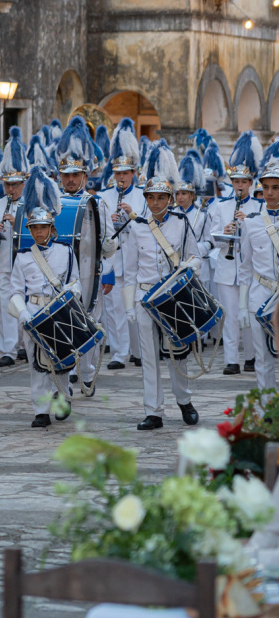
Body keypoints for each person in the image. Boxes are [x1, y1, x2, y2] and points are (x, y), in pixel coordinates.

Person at [123, 140, 201, 432]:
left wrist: (190, 266)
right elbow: (129, 269)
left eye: (161, 198)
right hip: (146, 297)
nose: (155, 202)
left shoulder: (181, 222)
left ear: (170, 199)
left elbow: (196, 256)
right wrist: (129, 304)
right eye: (151, 197)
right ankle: (153, 410)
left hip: (173, 298)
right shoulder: (137, 226)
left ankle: (184, 400)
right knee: (149, 356)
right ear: (145, 198)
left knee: (177, 352)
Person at [8, 166, 82, 429]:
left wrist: (69, 298)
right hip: (34, 312)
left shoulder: (66, 250)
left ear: (52, 229)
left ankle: (63, 396)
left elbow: (75, 282)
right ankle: (40, 409)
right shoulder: (24, 256)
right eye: (34, 228)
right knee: (36, 362)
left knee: (61, 360)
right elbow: (15, 290)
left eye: (43, 228)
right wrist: (23, 313)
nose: (39, 233)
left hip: (59, 312)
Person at [54, 115, 117, 392]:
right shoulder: (52, 203)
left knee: (90, 321)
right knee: (63, 323)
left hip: (89, 273)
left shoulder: (97, 204)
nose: (69, 180)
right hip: (59, 275)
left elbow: (109, 246)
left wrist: (107, 261)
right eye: (65, 175)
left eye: (74, 175)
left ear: (84, 176)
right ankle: (67, 372)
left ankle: (88, 371)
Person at [206, 131, 264, 376]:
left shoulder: (259, 207)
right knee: (229, 316)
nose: (239, 185)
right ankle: (231, 360)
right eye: (236, 181)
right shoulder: (220, 206)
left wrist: (248, 221)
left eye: (243, 181)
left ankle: (251, 357)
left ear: (250, 183)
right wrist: (225, 231)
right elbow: (211, 237)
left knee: (249, 315)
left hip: (251, 269)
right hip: (226, 268)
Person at [99, 117, 147, 370]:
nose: (121, 177)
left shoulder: (143, 197)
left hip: (137, 261)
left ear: (133, 174)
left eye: (126, 173)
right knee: (115, 308)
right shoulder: (104, 197)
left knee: (136, 309)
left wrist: (132, 215)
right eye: (117, 173)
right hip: (113, 259)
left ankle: (139, 352)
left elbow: (150, 227)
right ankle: (119, 354)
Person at [0, 126, 29, 368]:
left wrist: (19, 222)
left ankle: (25, 345)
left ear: (24, 182)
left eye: (15, 184)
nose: (10, 189)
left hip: (24, 262)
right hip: (2, 262)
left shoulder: (31, 204)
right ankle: (7, 350)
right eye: (7, 184)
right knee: (4, 307)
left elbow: (41, 231)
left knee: (26, 301)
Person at [238, 157, 277, 391]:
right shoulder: (251, 223)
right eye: (266, 187)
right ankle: (267, 411)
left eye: (276, 187)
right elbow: (245, 266)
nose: (270, 192)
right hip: (260, 294)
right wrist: (243, 305)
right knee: (262, 360)